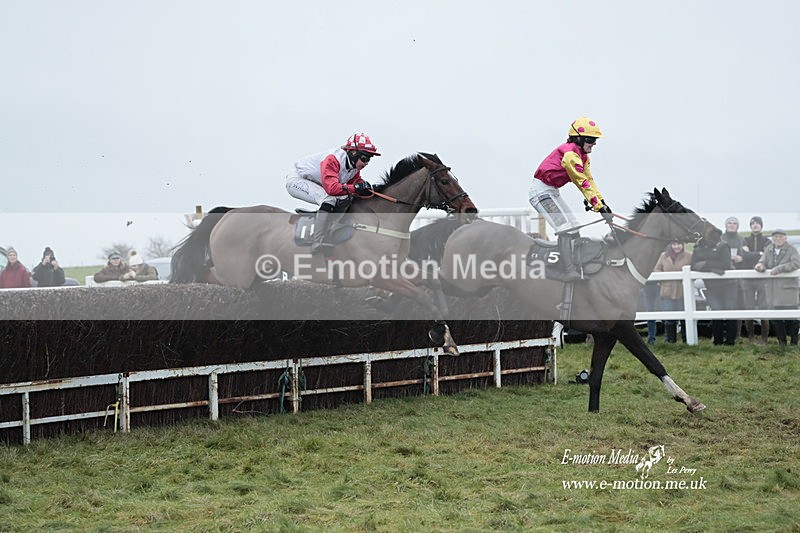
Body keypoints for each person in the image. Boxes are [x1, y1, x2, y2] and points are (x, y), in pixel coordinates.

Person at [530, 117, 613, 282]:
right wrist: (599, 208)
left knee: (574, 226)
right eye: (591, 139)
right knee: (565, 227)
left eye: (595, 140)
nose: (594, 143)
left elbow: (590, 181)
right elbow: (581, 182)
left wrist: (603, 203)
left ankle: (575, 265)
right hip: (540, 193)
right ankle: (567, 271)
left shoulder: (583, 157)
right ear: (579, 139)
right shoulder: (570, 155)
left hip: (551, 192)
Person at [285, 133, 380, 254]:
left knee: (346, 197)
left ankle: (332, 227)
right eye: (365, 158)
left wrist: (367, 188)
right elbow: (332, 189)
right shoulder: (333, 159)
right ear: (354, 153)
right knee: (329, 199)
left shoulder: (353, 166)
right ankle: (316, 241)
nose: (367, 163)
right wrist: (356, 187)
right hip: (298, 180)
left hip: (318, 182)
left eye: (369, 159)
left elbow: (354, 183)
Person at [755, 229, 800, 347]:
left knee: (792, 319)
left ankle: (794, 342)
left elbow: (796, 263)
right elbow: (762, 261)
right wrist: (760, 266)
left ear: (785, 238)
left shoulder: (792, 250)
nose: (778, 239)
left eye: (780, 236)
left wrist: (780, 268)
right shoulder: (768, 249)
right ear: (772, 239)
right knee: (775, 318)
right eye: (775, 237)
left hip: (788, 290)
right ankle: (782, 342)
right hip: (772, 290)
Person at [691, 237, 737, 345]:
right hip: (711, 286)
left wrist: (706, 264)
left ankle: (730, 341)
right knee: (716, 310)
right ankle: (717, 341)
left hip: (728, 284)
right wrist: (713, 269)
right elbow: (694, 265)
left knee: (730, 310)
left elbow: (726, 264)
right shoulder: (698, 248)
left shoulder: (723, 245)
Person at [653, 239, 693, 343]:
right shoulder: (664, 256)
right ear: (671, 245)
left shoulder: (689, 255)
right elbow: (657, 269)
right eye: (674, 244)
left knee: (685, 317)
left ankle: (686, 339)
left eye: (679, 244)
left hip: (683, 291)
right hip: (667, 291)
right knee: (669, 318)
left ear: (683, 244)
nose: (676, 247)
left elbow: (693, 270)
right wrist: (663, 280)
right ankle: (670, 340)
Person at [742, 216, 771, 344]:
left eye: (757, 223)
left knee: (764, 307)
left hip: (763, 279)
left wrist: (755, 255)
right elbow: (744, 256)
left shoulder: (767, 241)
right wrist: (759, 254)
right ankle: (751, 338)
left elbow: (767, 256)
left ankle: (764, 338)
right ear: (750, 226)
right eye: (753, 223)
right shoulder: (744, 240)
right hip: (747, 279)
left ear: (761, 225)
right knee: (748, 308)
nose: (755, 225)